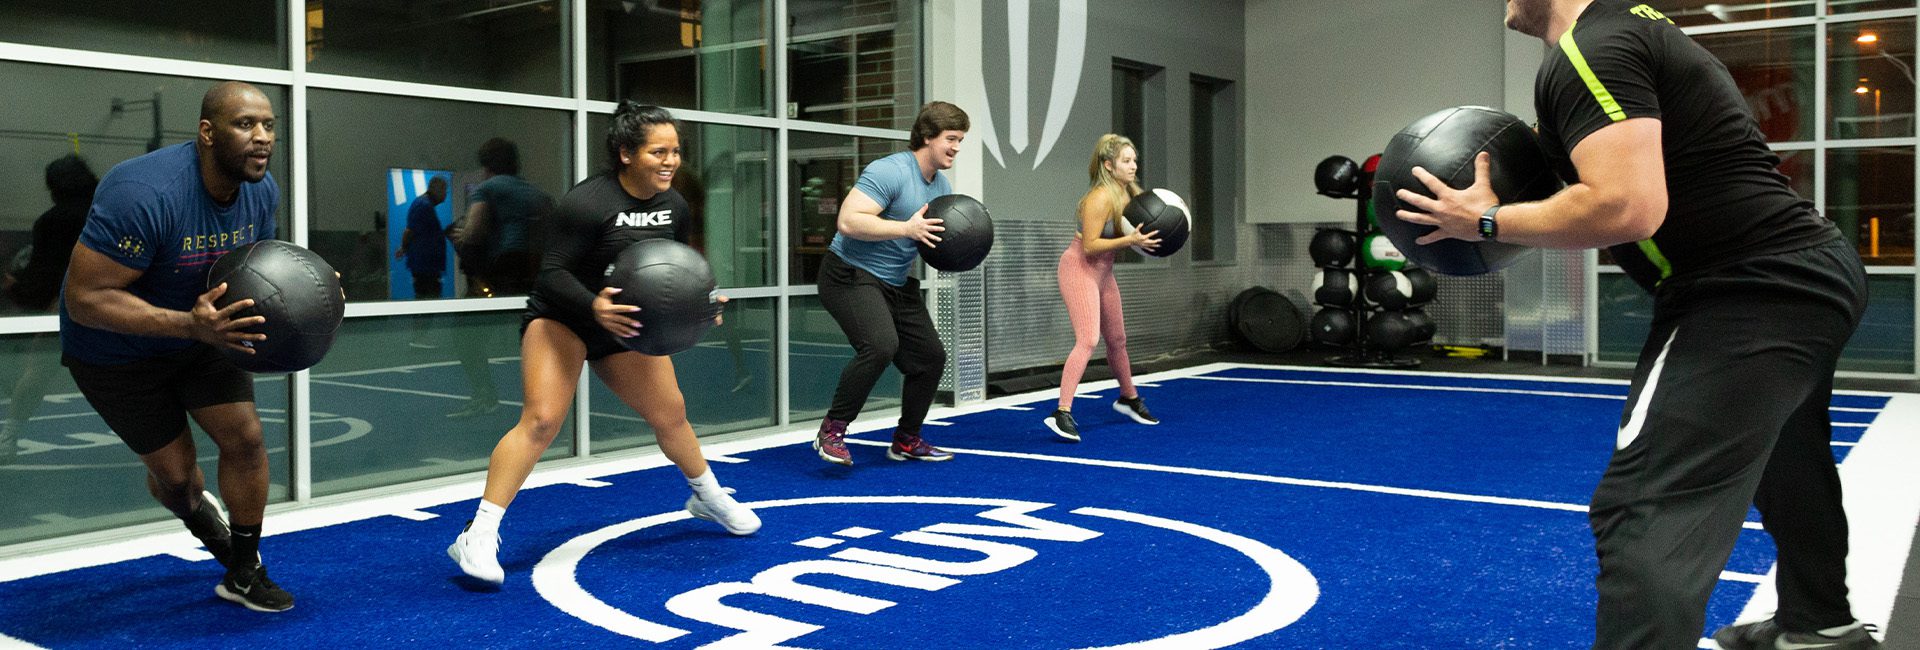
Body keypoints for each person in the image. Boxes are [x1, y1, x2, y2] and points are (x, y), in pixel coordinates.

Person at [1395, 1, 1875, 647]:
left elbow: (1627, 206)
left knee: (1645, 506)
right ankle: (1821, 626)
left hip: (1747, 286)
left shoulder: (1591, 48)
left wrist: (1481, 222)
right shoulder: (1627, 32)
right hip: (1795, 271)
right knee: (1789, 462)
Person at [446, 102, 760, 586]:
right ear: (625, 154)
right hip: (563, 317)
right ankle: (478, 533)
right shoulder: (587, 204)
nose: (671, 161)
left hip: (621, 325)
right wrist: (593, 306)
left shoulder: (673, 205)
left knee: (671, 413)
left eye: (676, 151)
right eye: (659, 151)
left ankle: (707, 495)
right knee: (542, 420)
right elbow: (550, 274)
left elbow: (676, 268)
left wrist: (702, 301)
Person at [59, 81, 294, 612]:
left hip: (203, 333)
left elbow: (254, 269)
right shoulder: (143, 192)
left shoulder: (261, 191)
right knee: (178, 478)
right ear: (207, 133)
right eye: (245, 125)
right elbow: (86, 299)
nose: (262, 138)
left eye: (269, 126)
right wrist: (191, 326)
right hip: (114, 353)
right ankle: (203, 521)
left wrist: (311, 292)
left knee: (247, 439)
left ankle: (244, 570)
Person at [810, 101, 969, 466]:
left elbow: (930, 235)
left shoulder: (940, 184)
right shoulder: (891, 171)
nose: (956, 147)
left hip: (896, 283)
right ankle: (832, 429)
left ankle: (907, 440)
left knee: (930, 358)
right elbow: (848, 221)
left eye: (960, 140)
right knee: (880, 345)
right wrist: (905, 228)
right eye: (951, 138)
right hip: (849, 273)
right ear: (927, 137)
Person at [1042, 135, 1161, 443]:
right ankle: (1062, 412)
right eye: (1126, 160)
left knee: (1118, 339)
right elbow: (1092, 246)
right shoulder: (1098, 198)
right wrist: (1130, 241)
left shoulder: (1131, 193)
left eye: (1134, 160)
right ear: (1109, 166)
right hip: (1079, 269)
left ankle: (1128, 398)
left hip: (1104, 272)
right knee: (1088, 339)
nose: (1133, 166)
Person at [2, 155, 97, 461]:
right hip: (118, 303)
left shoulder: (53, 221)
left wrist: (16, 286)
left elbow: (46, 274)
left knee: (37, 373)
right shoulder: (105, 211)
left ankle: (9, 436)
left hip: (68, 306)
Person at [447, 139, 551, 419]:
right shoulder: (539, 194)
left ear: (486, 165)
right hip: (536, 273)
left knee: (466, 337)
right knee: (537, 339)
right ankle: (548, 403)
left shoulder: (487, 188)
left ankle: (484, 396)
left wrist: (461, 238)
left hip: (502, 270)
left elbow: (474, 232)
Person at [396, 176, 450, 300]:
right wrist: (403, 248)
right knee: (428, 300)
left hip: (426, 267)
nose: (445, 194)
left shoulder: (423, 204)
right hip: (426, 268)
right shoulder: (423, 206)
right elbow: (409, 231)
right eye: (444, 190)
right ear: (437, 189)